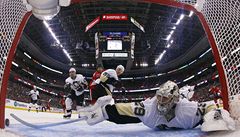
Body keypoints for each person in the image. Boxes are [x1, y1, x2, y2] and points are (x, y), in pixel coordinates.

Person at [80, 81, 235, 132]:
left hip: (182, 100)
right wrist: (102, 113)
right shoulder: (149, 108)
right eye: (159, 97)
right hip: (162, 116)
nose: (160, 101)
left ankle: (187, 90)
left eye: (165, 98)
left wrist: (215, 118)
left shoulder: (188, 110)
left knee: (185, 93)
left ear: (174, 100)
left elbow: (209, 106)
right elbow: (122, 109)